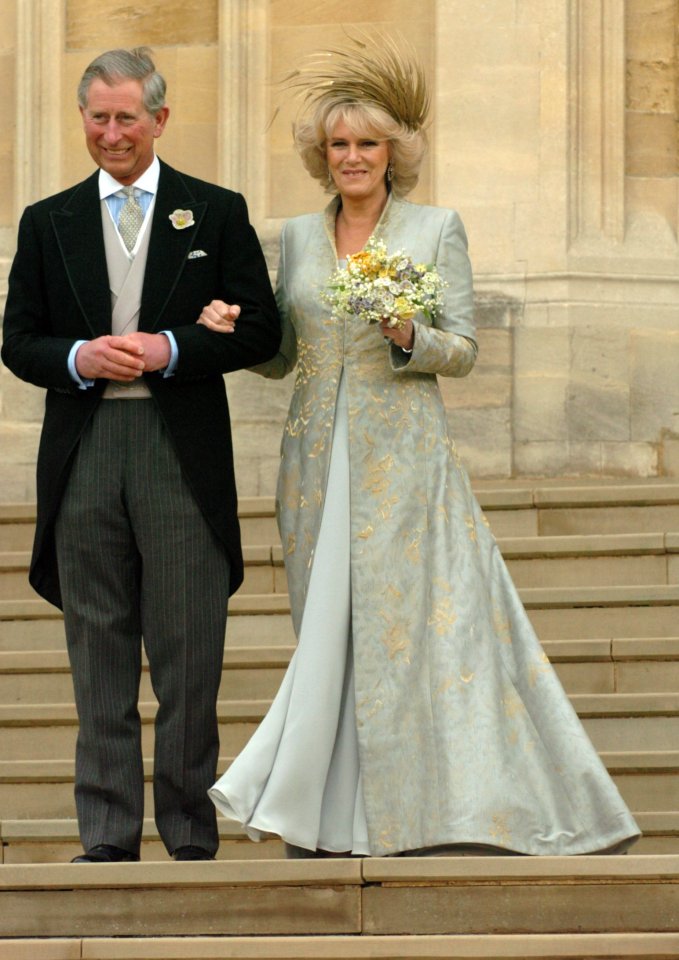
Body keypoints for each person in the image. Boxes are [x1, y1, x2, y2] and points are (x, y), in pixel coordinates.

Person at [203, 37, 640, 857]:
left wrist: (409, 332)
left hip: (403, 458)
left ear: (395, 152)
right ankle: (331, 815)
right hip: (311, 464)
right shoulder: (295, 238)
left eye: (367, 144)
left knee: (402, 631)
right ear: (320, 155)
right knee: (326, 627)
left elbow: (464, 348)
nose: (353, 158)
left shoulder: (434, 228)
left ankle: (407, 810)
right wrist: (231, 333)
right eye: (338, 144)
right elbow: (283, 356)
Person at [1, 47, 280, 863]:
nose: (112, 133)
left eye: (128, 117)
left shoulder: (215, 211)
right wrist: (80, 360)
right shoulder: (46, 220)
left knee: (190, 652)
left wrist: (171, 347)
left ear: (160, 119)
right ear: (82, 119)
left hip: (176, 451)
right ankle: (108, 839)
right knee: (98, 652)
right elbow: (19, 342)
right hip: (85, 449)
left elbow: (260, 328)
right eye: (98, 117)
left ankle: (191, 838)